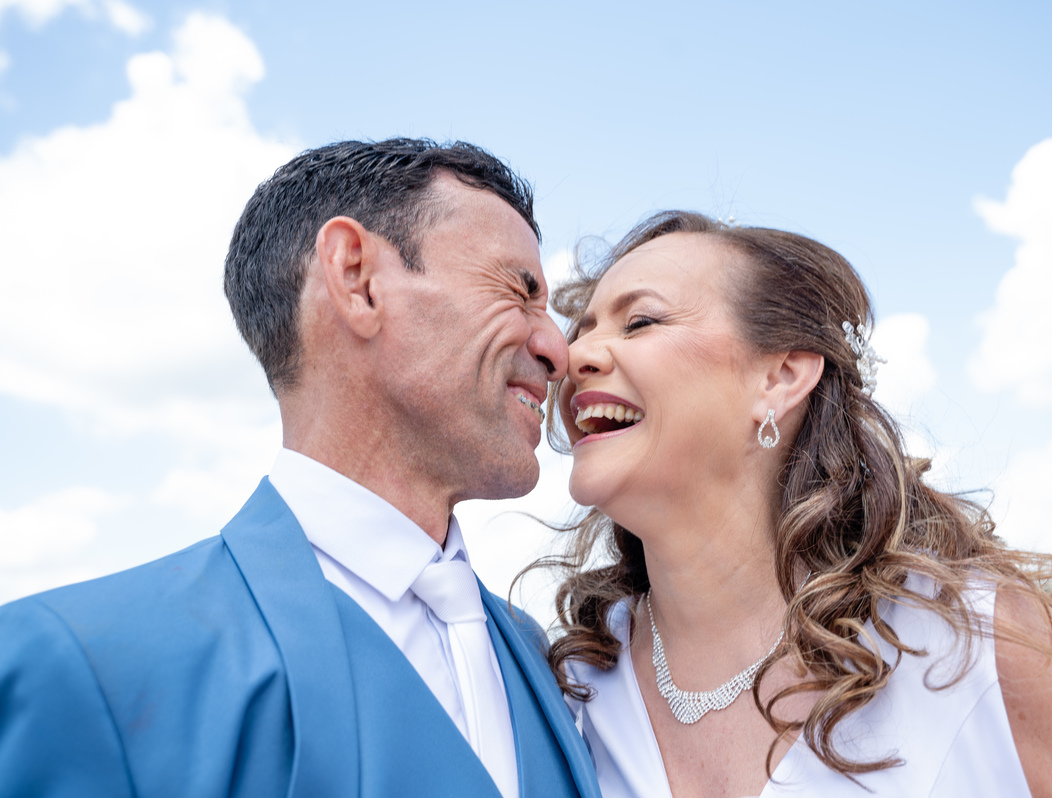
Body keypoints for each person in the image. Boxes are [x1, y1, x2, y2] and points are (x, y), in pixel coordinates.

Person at [0, 139, 601, 798]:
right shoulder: (78, 666)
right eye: (519, 291)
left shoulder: (546, 663)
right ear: (357, 278)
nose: (557, 350)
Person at [540, 211, 1052, 797]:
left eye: (641, 322)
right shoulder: (570, 686)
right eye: (583, 330)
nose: (576, 358)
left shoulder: (978, 645)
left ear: (781, 377)